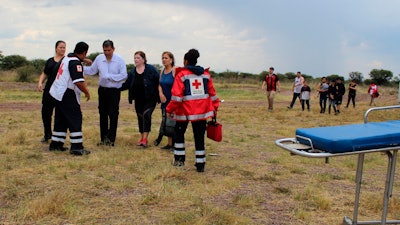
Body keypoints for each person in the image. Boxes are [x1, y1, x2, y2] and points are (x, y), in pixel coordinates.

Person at [166, 49, 220, 172]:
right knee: (199, 137)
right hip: (201, 112)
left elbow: (176, 97)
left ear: (185, 61)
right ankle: (200, 164)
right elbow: (212, 94)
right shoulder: (206, 75)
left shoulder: (182, 75)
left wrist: (169, 109)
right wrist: (215, 108)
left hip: (183, 112)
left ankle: (179, 161)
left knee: (179, 135)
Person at [48, 41, 91, 156]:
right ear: (84, 52)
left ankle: (56, 144)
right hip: (67, 94)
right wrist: (87, 92)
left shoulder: (67, 58)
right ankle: (77, 147)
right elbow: (78, 82)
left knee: (60, 119)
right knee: (75, 118)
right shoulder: (75, 63)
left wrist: (84, 60)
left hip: (57, 93)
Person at [84, 40, 127, 147]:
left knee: (113, 114)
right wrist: (79, 68)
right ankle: (103, 139)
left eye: (109, 50)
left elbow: (124, 75)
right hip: (102, 90)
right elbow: (92, 70)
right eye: (105, 50)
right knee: (102, 114)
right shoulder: (99, 58)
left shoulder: (119, 60)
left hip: (114, 91)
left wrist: (109, 76)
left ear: (113, 49)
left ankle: (111, 140)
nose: (107, 52)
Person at [120, 51, 160, 147]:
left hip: (150, 98)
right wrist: (115, 88)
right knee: (140, 117)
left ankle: (145, 139)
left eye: (138, 58)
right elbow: (127, 84)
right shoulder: (132, 72)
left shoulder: (151, 69)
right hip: (138, 99)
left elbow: (159, 81)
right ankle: (142, 138)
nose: (136, 60)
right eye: (135, 58)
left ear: (143, 59)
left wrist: (161, 94)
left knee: (146, 115)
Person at [37, 40, 66, 143]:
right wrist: (40, 82)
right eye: (60, 47)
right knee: (46, 113)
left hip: (61, 91)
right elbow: (45, 73)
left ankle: (58, 136)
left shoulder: (66, 61)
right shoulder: (50, 60)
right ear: (56, 48)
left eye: (64, 47)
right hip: (49, 90)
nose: (62, 49)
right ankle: (47, 134)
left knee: (60, 114)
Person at [153, 51, 175, 150]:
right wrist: (160, 94)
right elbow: (159, 84)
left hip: (173, 100)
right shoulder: (162, 71)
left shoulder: (175, 70)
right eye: (162, 58)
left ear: (171, 60)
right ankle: (169, 144)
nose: (164, 60)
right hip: (164, 100)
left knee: (173, 123)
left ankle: (175, 145)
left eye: (166, 58)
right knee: (166, 122)